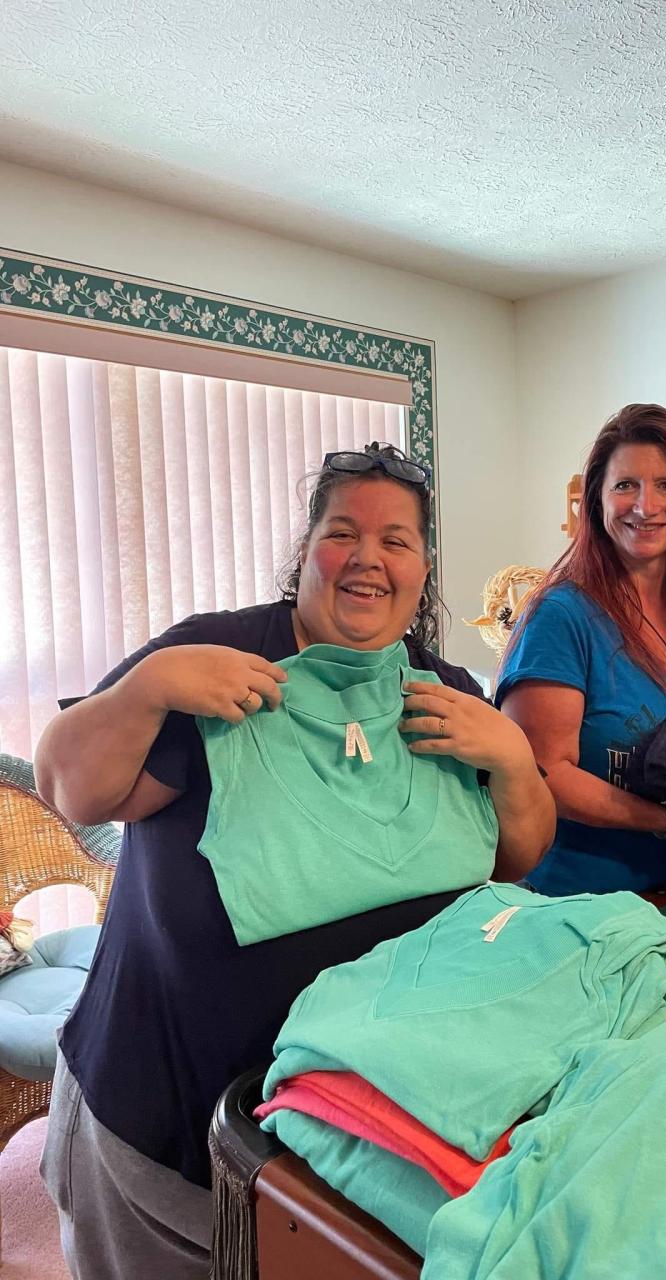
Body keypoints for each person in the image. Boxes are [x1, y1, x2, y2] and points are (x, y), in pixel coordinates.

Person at [35, 442, 554, 1280]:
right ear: (306, 549)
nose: (368, 558)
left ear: (424, 567)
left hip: (347, 1150)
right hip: (163, 1122)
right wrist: (146, 687)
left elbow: (517, 857)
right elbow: (71, 786)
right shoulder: (220, 660)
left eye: (397, 540)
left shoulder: (445, 692)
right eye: (343, 531)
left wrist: (515, 760)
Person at [497, 404, 666, 897]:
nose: (646, 505)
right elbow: (542, 775)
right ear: (597, 501)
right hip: (583, 903)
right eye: (625, 485)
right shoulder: (560, 617)